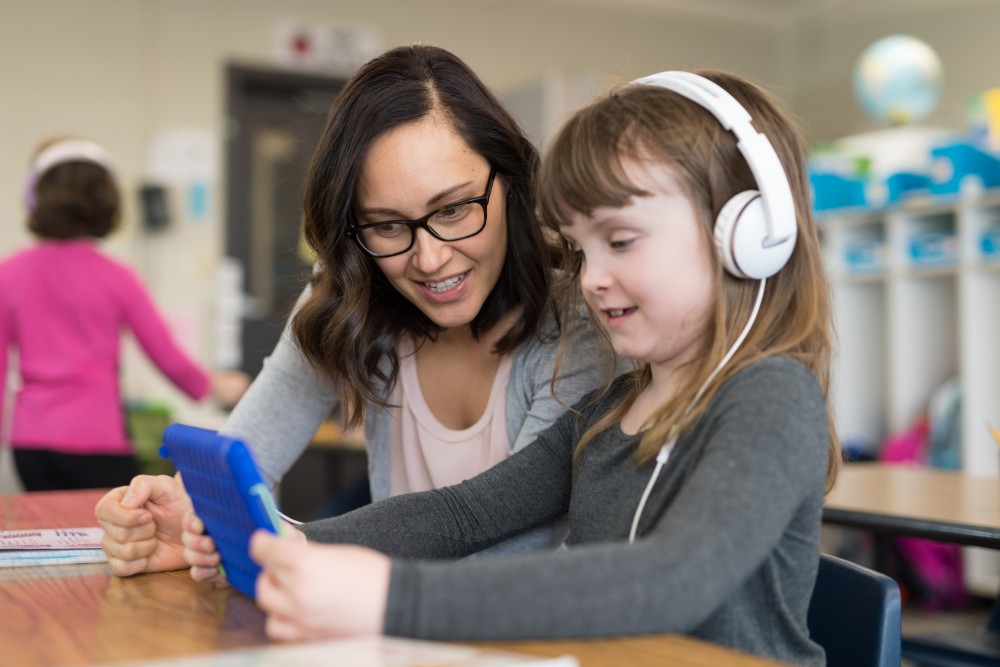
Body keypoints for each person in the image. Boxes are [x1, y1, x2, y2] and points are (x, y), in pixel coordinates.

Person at [183, 69, 841, 666]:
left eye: (619, 240)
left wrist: (392, 597)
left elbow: (676, 576)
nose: (591, 278)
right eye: (580, 250)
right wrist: (289, 544)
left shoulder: (770, 394)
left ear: (748, 235)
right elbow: (465, 513)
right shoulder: (610, 406)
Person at [96, 44, 614, 575]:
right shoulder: (350, 298)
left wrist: (289, 545)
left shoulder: (580, 325)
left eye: (455, 209)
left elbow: (506, 557)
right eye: (388, 225)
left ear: (510, 181)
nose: (431, 259)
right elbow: (244, 460)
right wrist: (192, 519)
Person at [0, 138, 246, 491]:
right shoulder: (116, 276)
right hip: (96, 438)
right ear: (107, 201)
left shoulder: (7, 273)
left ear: (36, 199)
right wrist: (213, 386)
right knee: (109, 537)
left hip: (31, 444)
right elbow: (164, 353)